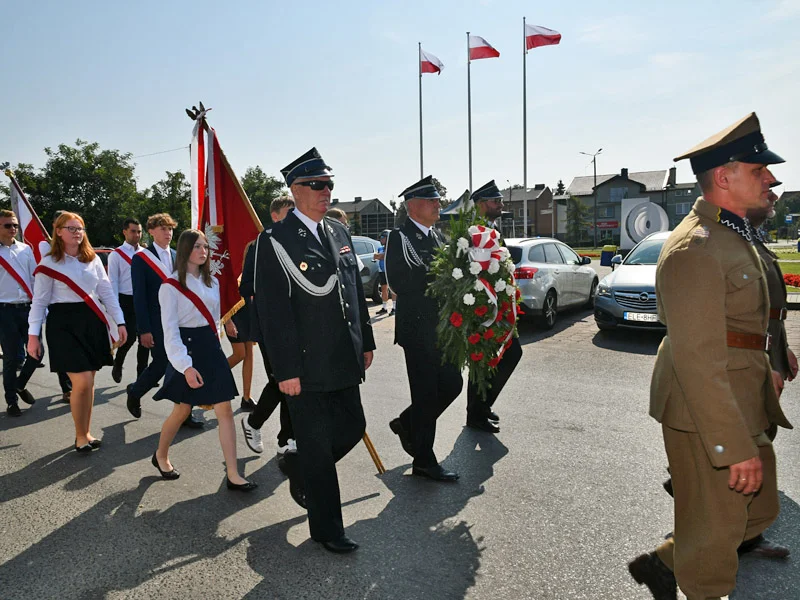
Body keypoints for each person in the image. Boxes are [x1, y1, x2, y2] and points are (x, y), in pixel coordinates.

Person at [628, 112, 791, 600]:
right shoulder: (695, 248)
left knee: (758, 511)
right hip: (705, 407)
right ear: (724, 177)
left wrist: (774, 359)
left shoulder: (735, 233)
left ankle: (665, 561)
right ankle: (695, 577)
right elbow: (697, 360)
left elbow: (758, 311)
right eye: (759, 169)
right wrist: (731, 445)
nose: (772, 178)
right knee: (716, 537)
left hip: (742, 389)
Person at [253, 147, 375, 553]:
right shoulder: (274, 240)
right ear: (295, 190)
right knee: (319, 446)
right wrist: (284, 370)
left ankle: (301, 470)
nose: (327, 192)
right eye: (317, 185)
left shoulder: (339, 233)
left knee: (353, 426)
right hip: (303, 364)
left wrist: (367, 341)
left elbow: (354, 292)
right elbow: (274, 313)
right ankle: (327, 530)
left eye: (330, 185)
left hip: (342, 356)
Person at [149, 229, 256, 490]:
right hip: (186, 351)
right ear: (185, 249)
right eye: (198, 246)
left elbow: (214, 316)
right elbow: (170, 332)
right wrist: (185, 366)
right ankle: (161, 455)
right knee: (182, 409)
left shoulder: (212, 282)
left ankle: (233, 474)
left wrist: (226, 324)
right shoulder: (170, 286)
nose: (203, 251)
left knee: (225, 410)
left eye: (206, 247)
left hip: (210, 349)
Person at [385, 175, 463, 482]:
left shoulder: (437, 237)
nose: (438, 205)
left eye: (437, 200)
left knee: (452, 385)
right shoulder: (400, 237)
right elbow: (397, 282)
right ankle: (424, 459)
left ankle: (408, 423)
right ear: (413, 206)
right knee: (426, 392)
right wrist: (441, 275)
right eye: (432, 201)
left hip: (442, 328)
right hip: (417, 329)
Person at [27, 212, 127, 451]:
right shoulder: (49, 263)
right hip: (63, 324)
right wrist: (33, 336)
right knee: (81, 381)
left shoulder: (92, 260)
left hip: (91, 321)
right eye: (71, 228)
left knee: (89, 381)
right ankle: (80, 436)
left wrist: (120, 322)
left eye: (80, 228)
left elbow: (107, 293)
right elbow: (39, 302)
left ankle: (85, 432)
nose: (77, 233)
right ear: (58, 231)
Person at [125, 213, 203, 429]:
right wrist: (144, 330)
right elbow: (139, 297)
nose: (167, 233)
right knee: (160, 364)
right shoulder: (141, 258)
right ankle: (135, 391)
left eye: (170, 229)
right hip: (157, 322)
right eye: (162, 228)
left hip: (181, 321)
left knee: (185, 364)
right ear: (150, 231)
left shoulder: (179, 255)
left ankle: (184, 413)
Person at [465, 181, 523, 433]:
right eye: (495, 201)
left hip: (499, 307)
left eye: (500, 200)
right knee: (482, 360)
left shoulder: (493, 229)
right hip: (481, 307)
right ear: (480, 204)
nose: (501, 204)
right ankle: (475, 414)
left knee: (507, 354)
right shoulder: (471, 231)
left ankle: (483, 406)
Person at [239, 199, 296, 456]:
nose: (294, 217)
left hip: (297, 326)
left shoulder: (299, 242)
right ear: (274, 216)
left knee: (293, 382)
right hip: (271, 326)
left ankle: (287, 439)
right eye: (288, 213)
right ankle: (254, 422)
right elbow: (246, 287)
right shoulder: (260, 246)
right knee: (279, 380)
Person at [0, 209, 39, 416]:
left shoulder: (25, 249)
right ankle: (11, 401)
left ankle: (19, 384)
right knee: (11, 359)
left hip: (28, 308)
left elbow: (35, 278)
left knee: (37, 353)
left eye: (15, 225)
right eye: (8, 225)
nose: (13, 229)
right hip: (4, 310)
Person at [108, 218, 149, 384]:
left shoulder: (146, 253)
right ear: (124, 232)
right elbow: (113, 282)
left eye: (139, 231)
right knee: (130, 337)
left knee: (146, 338)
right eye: (133, 231)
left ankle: (143, 376)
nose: (137, 235)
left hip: (143, 299)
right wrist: (115, 307)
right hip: (126, 300)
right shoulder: (116, 255)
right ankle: (118, 363)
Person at [39, 209, 73, 404]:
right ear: (55, 226)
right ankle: (66, 388)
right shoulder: (45, 246)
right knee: (60, 351)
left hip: (77, 307)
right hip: (56, 305)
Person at [226, 239, 257, 412]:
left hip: (248, 312)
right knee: (239, 354)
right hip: (233, 313)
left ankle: (247, 397)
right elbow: (224, 296)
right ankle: (208, 380)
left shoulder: (252, 267)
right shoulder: (232, 266)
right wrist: (227, 320)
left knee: (249, 355)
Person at [373, 230, 396, 316]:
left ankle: (394, 307)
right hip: (382, 270)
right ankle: (384, 307)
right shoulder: (380, 248)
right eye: (380, 238)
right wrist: (379, 256)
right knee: (383, 289)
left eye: (382, 238)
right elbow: (377, 256)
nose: (380, 240)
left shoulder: (392, 247)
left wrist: (379, 256)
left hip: (390, 270)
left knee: (392, 289)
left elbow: (383, 256)